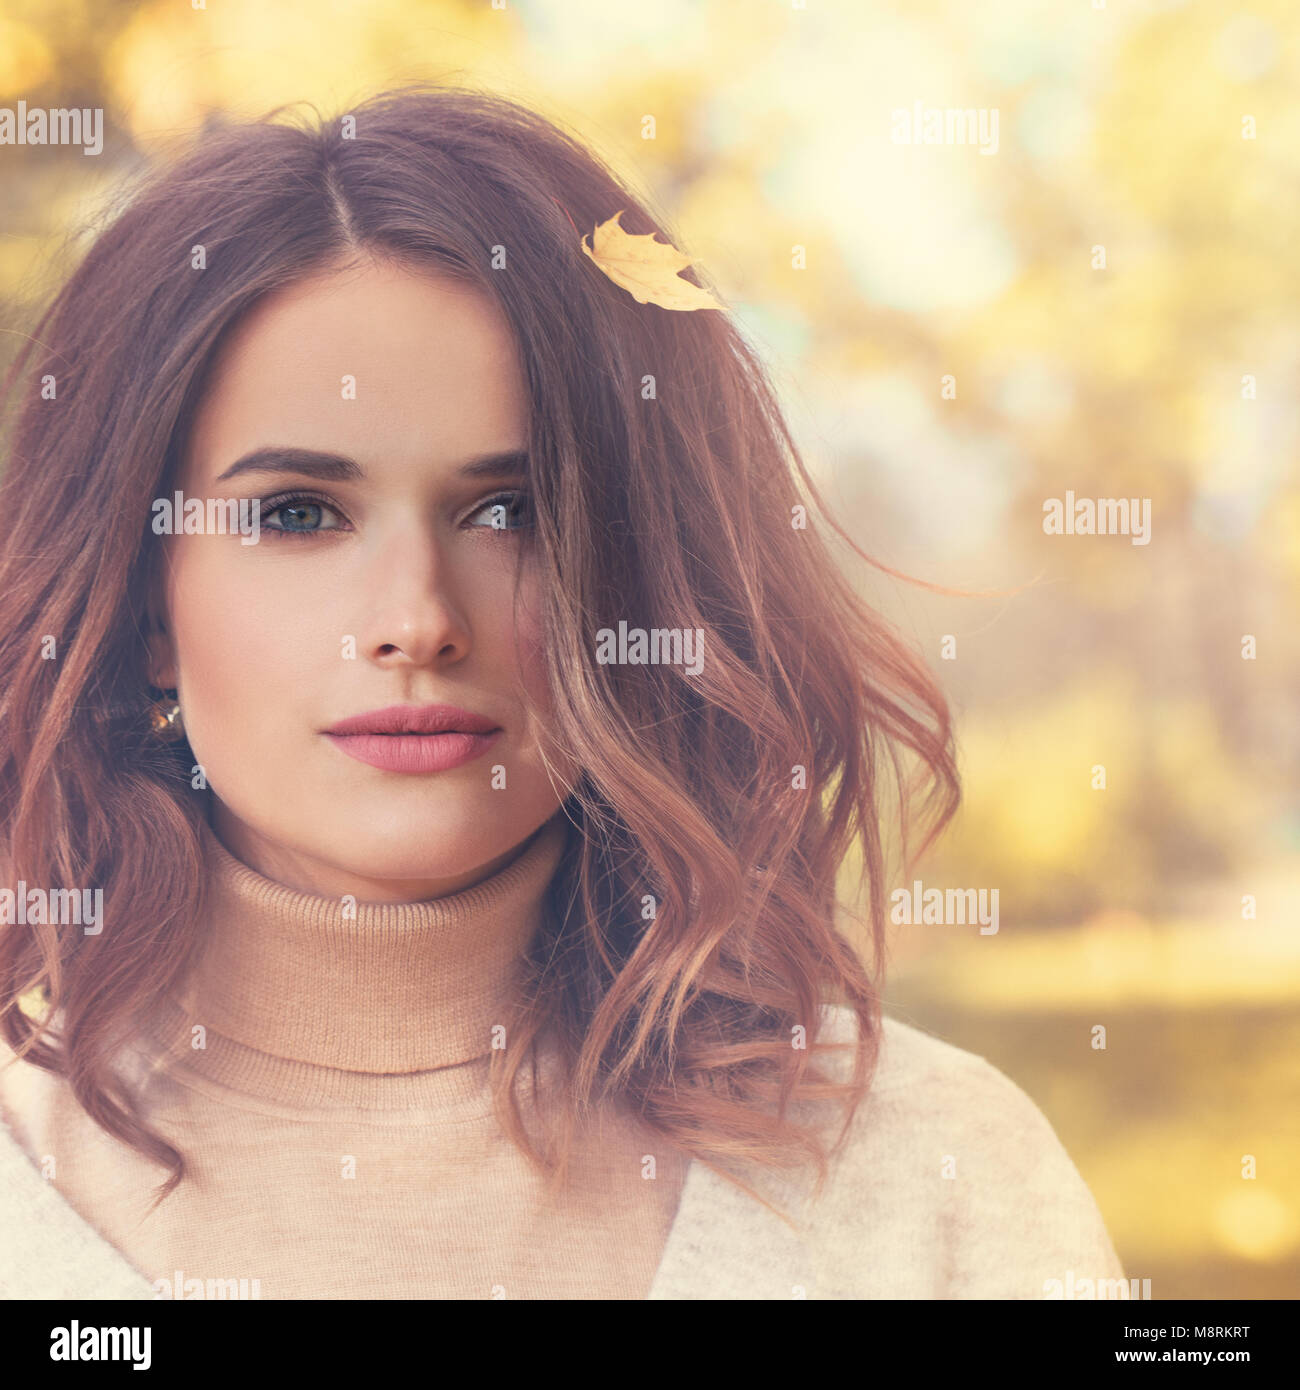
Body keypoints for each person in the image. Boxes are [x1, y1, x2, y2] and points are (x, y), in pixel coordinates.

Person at [0, 83, 1123, 1299]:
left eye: (510, 513)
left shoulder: (927, 1172)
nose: (417, 621)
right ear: (147, 603)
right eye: (297, 514)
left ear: (638, 577)